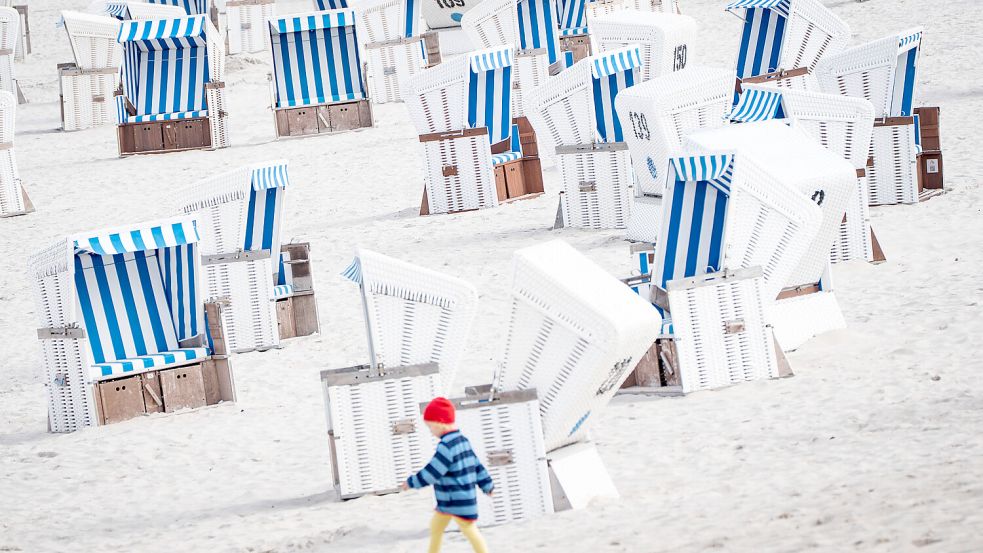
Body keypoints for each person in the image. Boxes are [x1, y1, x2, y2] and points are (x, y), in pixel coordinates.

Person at [402, 397, 494, 553]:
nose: (431, 431)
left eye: (431, 427)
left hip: (456, 501)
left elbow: (432, 472)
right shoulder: (463, 441)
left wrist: (411, 482)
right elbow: (477, 466)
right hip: (451, 501)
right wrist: (487, 484)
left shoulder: (446, 447)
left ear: (440, 424)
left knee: (469, 530)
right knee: (436, 526)